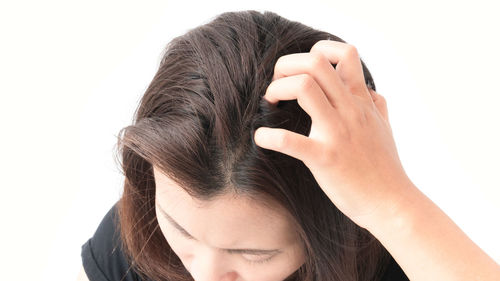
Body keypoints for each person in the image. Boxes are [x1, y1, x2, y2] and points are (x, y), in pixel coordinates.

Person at [78, 10, 500, 281]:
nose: (205, 274)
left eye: (254, 254)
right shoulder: (130, 240)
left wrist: (392, 202)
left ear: (333, 228)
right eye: (180, 227)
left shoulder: (402, 262)